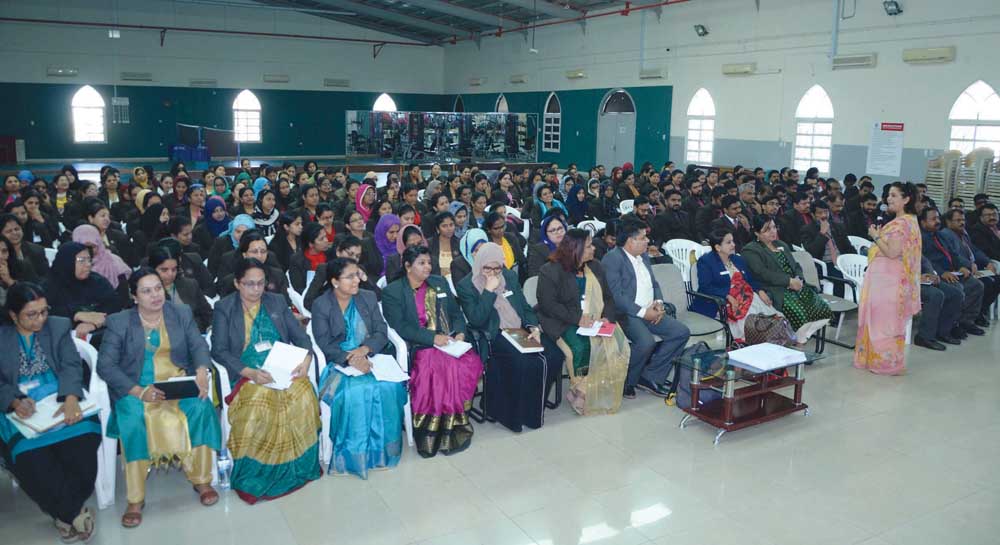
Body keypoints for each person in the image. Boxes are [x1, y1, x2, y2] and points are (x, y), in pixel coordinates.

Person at [97, 268, 221, 528]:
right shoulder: (120, 322)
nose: (155, 295)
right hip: (136, 388)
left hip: (175, 382)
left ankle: (201, 480)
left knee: (200, 407)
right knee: (133, 422)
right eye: (146, 291)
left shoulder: (180, 312)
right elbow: (106, 366)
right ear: (134, 297)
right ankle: (135, 498)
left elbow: (198, 345)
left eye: (157, 288)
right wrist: (139, 391)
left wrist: (200, 370)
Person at [210, 258, 320, 502]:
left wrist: (306, 360)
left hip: (281, 365)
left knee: (301, 393)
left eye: (261, 283)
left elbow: (300, 337)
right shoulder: (225, 308)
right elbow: (219, 350)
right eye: (250, 284)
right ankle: (259, 473)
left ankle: (298, 467)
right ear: (238, 284)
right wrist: (249, 372)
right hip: (247, 372)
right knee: (262, 400)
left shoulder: (276, 302)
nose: (256, 289)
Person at [0, 282, 101, 542]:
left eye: (44, 311)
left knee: (84, 446)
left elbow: (70, 363)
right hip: (21, 405)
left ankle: (62, 514)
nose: (40, 319)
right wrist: (13, 401)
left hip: (59, 396)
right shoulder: (2, 336)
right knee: (31, 461)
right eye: (31, 314)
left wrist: (69, 397)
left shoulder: (57, 326)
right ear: (13, 315)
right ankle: (73, 513)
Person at [382, 246, 483, 458]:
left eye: (429, 262)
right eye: (421, 263)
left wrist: (461, 334)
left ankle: (454, 425)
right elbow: (400, 327)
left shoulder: (438, 283)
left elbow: (456, 314)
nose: (428, 266)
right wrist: (432, 338)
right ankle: (433, 433)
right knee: (442, 367)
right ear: (408, 266)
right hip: (420, 344)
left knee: (468, 362)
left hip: (448, 341)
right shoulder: (393, 291)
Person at [312, 257, 406, 478]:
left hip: (369, 357)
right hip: (338, 365)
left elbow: (381, 332)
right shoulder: (322, 305)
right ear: (335, 281)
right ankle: (351, 458)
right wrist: (350, 358)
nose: (357, 280)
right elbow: (324, 343)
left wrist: (365, 350)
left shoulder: (367, 297)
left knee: (388, 388)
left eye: (357, 274)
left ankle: (384, 454)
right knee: (354, 392)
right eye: (350, 276)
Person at [457, 243, 562, 431]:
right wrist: (489, 291)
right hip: (493, 334)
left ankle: (533, 408)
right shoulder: (467, 285)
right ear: (479, 263)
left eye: (497, 268)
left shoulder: (509, 276)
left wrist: (533, 327)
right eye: (487, 268)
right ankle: (514, 414)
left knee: (554, 355)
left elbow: (525, 307)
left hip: (520, 329)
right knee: (524, 362)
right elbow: (477, 319)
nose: (492, 272)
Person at [537, 228, 629, 415]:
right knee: (580, 347)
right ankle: (582, 390)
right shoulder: (550, 270)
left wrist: (606, 317)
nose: (593, 248)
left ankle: (585, 390)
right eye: (588, 246)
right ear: (575, 249)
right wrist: (578, 319)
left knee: (617, 343)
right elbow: (548, 305)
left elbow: (608, 298)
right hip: (562, 320)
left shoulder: (595, 267)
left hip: (594, 319)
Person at [602, 220, 690, 398]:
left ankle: (650, 376)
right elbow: (617, 296)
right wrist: (644, 312)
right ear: (630, 241)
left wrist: (658, 303)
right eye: (643, 238)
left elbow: (654, 283)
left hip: (651, 310)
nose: (647, 241)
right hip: (626, 314)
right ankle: (627, 380)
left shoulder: (643, 256)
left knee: (681, 332)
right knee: (645, 342)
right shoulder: (613, 258)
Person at [853, 182, 922, 375]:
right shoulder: (908, 220)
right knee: (879, 321)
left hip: (889, 281)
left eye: (894, 195)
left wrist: (875, 236)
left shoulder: (901, 223)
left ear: (906, 199)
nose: (888, 199)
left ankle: (885, 364)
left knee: (883, 323)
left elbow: (892, 252)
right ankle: (873, 360)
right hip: (887, 279)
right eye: (888, 195)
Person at [693, 229, 794, 345]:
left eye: (733, 241)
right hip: (721, 301)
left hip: (747, 296)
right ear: (718, 247)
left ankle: (771, 344)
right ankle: (753, 344)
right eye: (729, 242)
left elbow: (750, 280)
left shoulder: (737, 259)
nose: (733, 245)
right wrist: (727, 296)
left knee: (771, 318)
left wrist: (760, 291)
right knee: (752, 323)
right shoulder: (706, 262)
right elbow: (705, 287)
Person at [742, 216, 832, 341]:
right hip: (776, 289)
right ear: (757, 233)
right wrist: (788, 281)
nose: (773, 231)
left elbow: (795, 266)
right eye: (767, 230)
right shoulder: (751, 250)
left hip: (796, 285)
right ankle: (799, 342)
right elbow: (762, 273)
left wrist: (799, 279)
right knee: (800, 313)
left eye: (774, 227)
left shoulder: (781, 244)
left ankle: (801, 339)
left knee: (823, 310)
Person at [919, 207, 985, 340]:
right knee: (957, 290)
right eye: (933, 219)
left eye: (938, 218)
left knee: (977, 285)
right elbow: (926, 260)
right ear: (923, 222)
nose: (937, 221)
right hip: (936, 274)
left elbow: (954, 255)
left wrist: (963, 266)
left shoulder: (940, 235)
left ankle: (965, 321)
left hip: (953, 272)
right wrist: (942, 273)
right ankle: (947, 327)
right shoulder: (920, 238)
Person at [43, 242, 122, 341]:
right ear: (67, 261)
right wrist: (76, 315)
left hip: (98, 335)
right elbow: (45, 315)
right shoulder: (48, 286)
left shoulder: (96, 280)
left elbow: (114, 305)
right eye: (81, 260)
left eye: (89, 260)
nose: (88, 265)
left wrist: (92, 324)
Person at [150, 245, 213, 333]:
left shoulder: (190, 285)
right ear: (153, 269)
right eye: (164, 270)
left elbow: (207, 314)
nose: (170, 274)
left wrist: (210, 328)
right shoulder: (146, 292)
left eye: (174, 269)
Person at [289, 222, 331, 293]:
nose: (326, 240)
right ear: (311, 244)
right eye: (321, 239)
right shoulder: (297, 260)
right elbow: (299, 288)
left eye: (325, 236)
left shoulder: (330, 254)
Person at [373, 214, 401, 278]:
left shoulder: (401, 245)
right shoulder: (372, 247)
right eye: (391, 232)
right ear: (382, 231)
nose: (395, 236)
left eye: (397, 231)